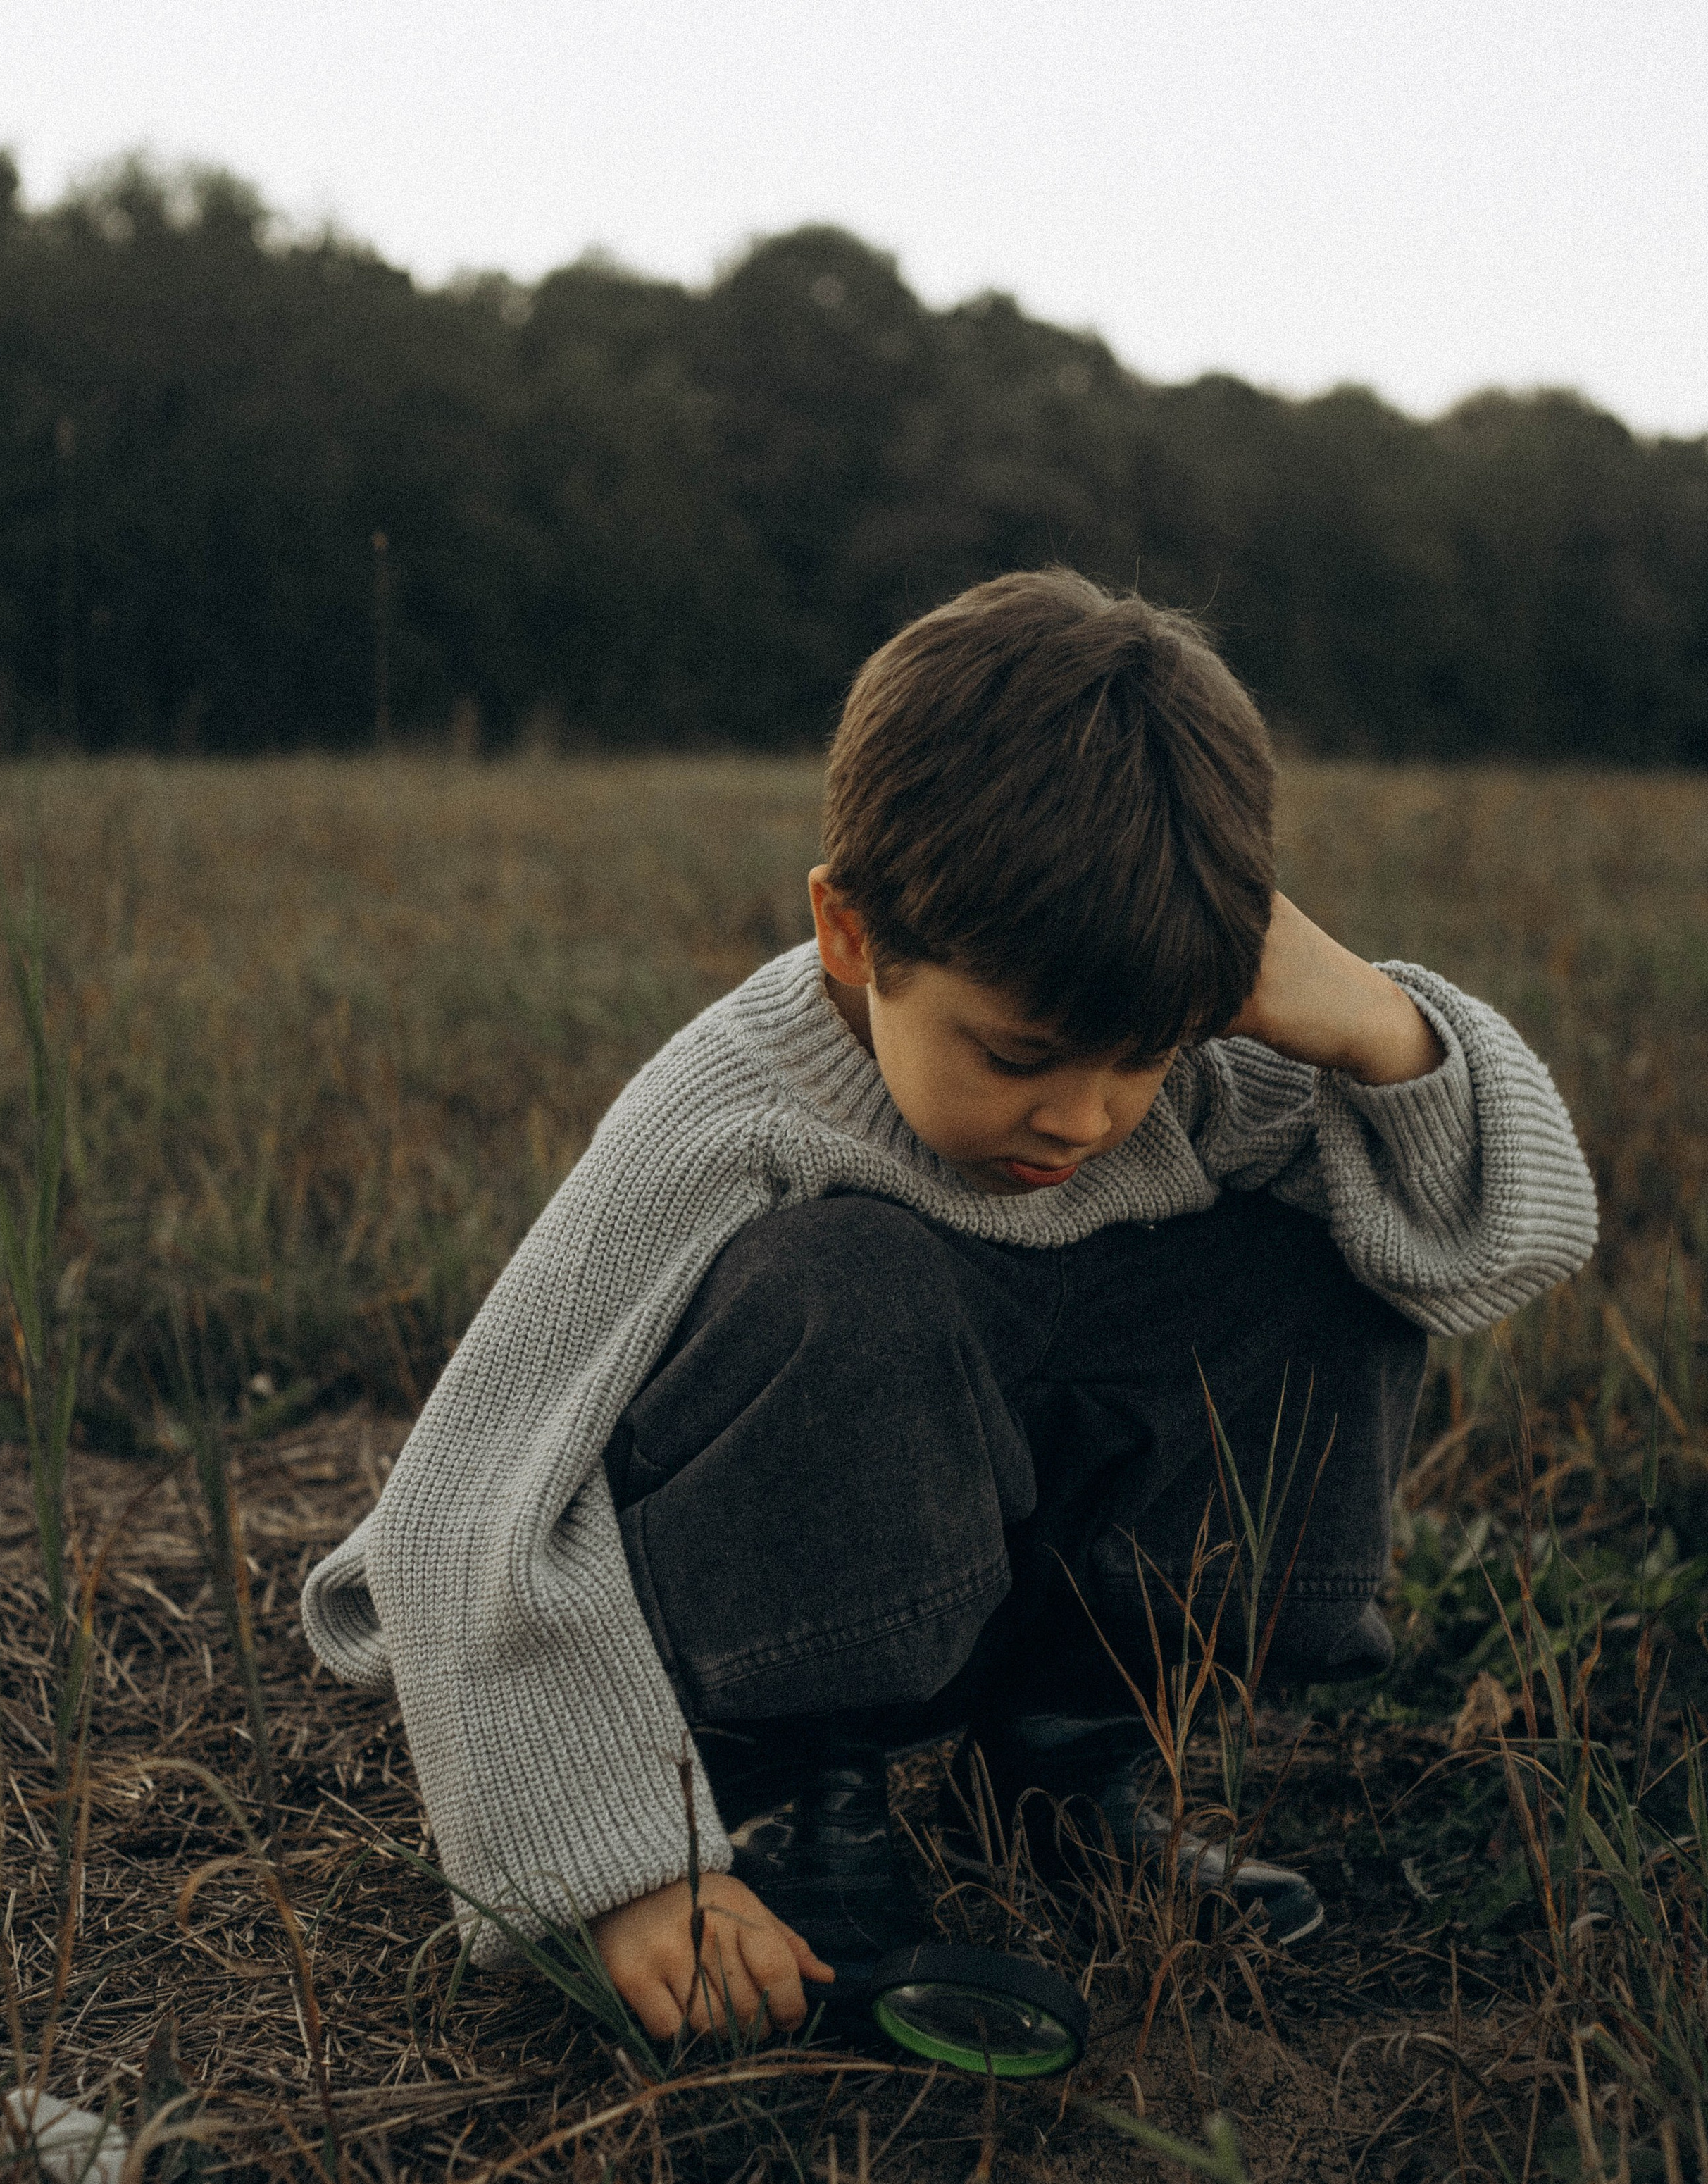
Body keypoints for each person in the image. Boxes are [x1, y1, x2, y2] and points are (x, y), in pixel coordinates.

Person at [303, 570, 1597, 2045]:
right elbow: (464, 1495)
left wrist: (1381, 1024)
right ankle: (800, 1807)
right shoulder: (729, 1113)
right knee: (847, 1285)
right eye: (1020, 1051)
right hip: (756, 1637)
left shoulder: (1172, 1075)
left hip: (1002, 1603)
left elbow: (1493, 1250)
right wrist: (619, 1871)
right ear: (851, 937)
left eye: (1144, 1054)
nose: (1088, 1113)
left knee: (1319, 1255)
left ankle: (1056, 1771)